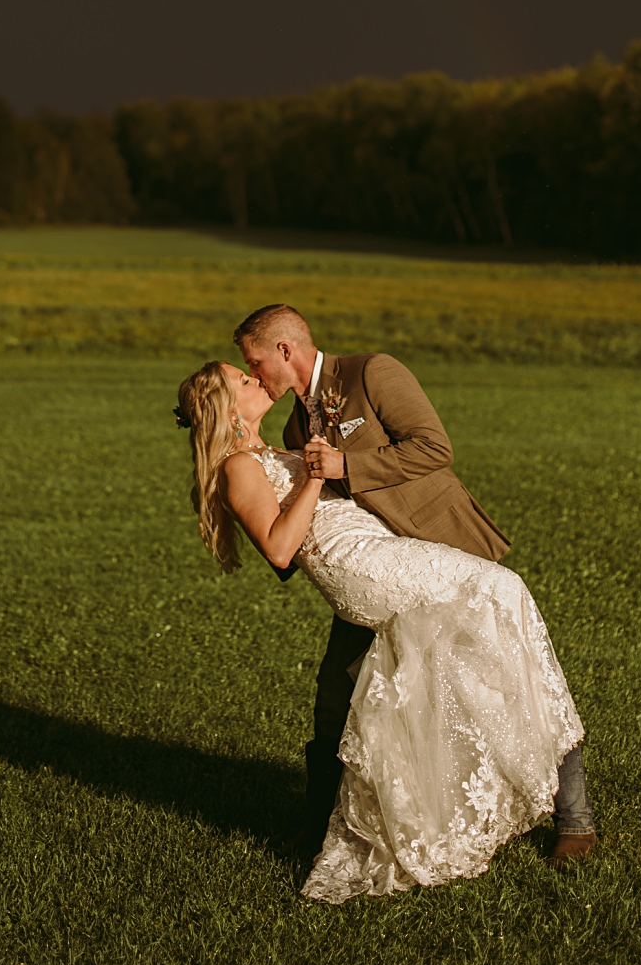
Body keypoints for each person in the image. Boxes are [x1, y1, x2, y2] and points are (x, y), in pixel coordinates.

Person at [177, 344, 595, 905]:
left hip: (380, 549)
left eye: (252, 367)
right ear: (230, 410)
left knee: (462, 654)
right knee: (502, 589)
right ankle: (539, 775)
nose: (254, 379)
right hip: (357, 565)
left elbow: (418, 452)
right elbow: (279, 549)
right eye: (242, 379)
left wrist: (315, 468)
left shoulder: (299, 429)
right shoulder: (237, 467)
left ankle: (537, 796)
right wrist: (314, 478)